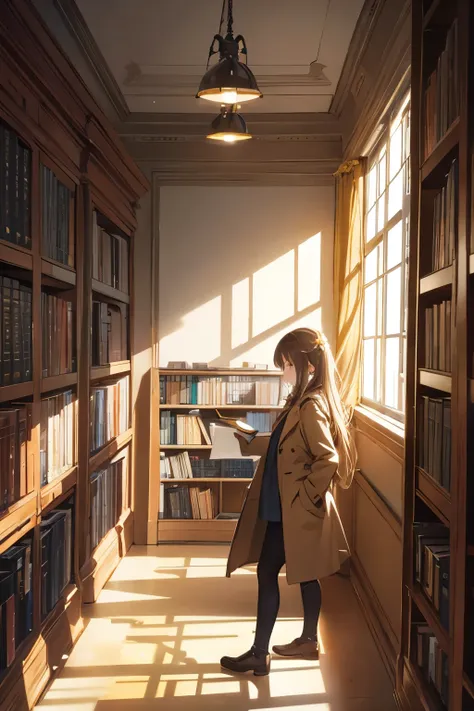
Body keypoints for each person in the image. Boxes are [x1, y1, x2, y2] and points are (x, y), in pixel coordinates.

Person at [220, 327, 356, 676]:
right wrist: (249, 441)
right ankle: (307, 640)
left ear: (305, 364)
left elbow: (328, 459)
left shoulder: (310, 405)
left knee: (268, 571)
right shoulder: (301, 399)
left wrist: (305, 497)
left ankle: (258, 653)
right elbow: (287, 447)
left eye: (286, 365)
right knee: (306, 573)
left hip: (291, 508)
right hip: (285, 505)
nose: (283, 372)